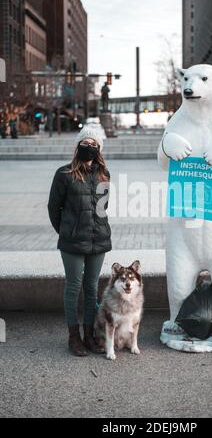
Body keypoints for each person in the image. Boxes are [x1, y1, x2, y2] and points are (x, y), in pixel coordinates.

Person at [48, 125, 112, 357]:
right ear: (77, 147)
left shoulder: (104, 174)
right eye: (85, 143)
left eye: (93, 145)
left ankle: (89, 335)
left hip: (98, 239)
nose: (89, 147)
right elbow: (53, 208)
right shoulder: (63, 174)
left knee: (92, 288)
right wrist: (67, 230)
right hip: (73, 241)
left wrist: (98, 228)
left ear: (99, 150)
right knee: (73, 287)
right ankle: (74, 337)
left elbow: (104, 208)